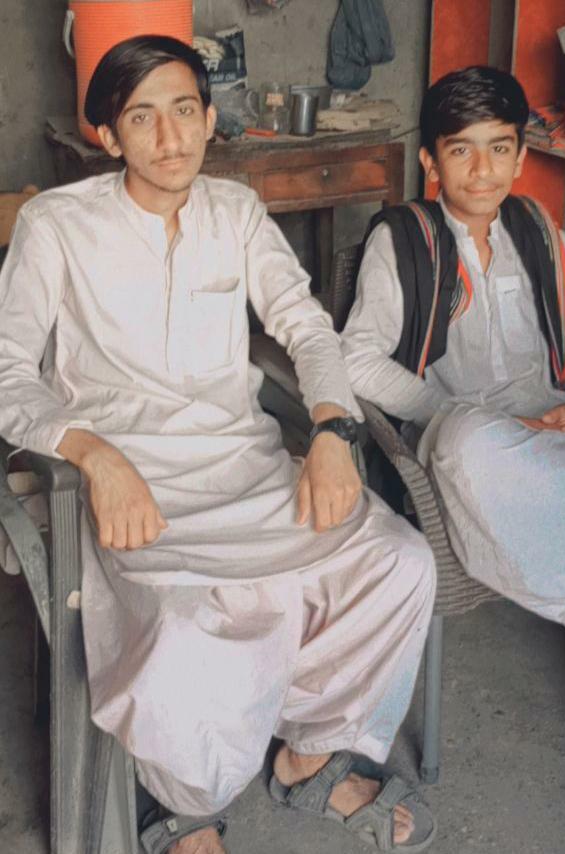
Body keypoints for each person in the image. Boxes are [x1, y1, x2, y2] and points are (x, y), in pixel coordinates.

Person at [0, 36, 438, 854]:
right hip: (133, 485)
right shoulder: (55, 225)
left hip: (244, 463)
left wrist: (333, 428)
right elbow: (7, 370)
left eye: (184, 110)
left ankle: (312, 751)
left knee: (399, 563)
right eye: (142, 118)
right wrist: (91, 452)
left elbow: (306, 327)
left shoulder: (235, 212)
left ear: (209, 119)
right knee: (183, 628)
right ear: (108, 136)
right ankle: (190, 799)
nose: (170, 138)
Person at [340, 65, 565, 854]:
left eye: (500, 148)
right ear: (431, 162)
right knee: (474, 441)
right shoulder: (401, 240)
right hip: (472, 456)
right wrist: (449, 413)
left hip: (562, 446)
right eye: (462, 151)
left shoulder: (536, 231)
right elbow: (357, 358)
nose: (483, 170)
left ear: (520, 156)